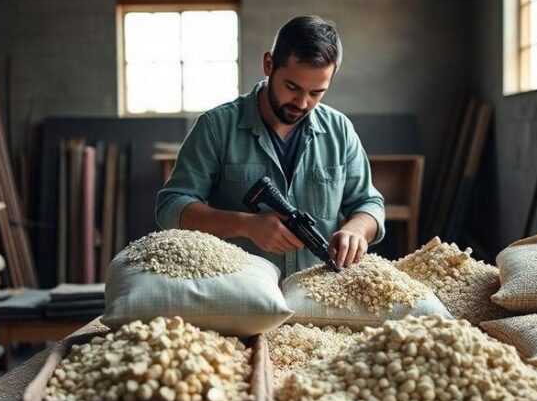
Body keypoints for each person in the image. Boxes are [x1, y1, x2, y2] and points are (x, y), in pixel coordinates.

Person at [155, 15, 385, 277]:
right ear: (268, 64)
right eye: (291, 87)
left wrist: (356, 230)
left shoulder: (339, 130)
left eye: (316, 93)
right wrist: (246, 225)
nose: (301, 103)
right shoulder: (215, 127)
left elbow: (369, 204)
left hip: (316, 293)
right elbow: (171, 207)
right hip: (236, 289)